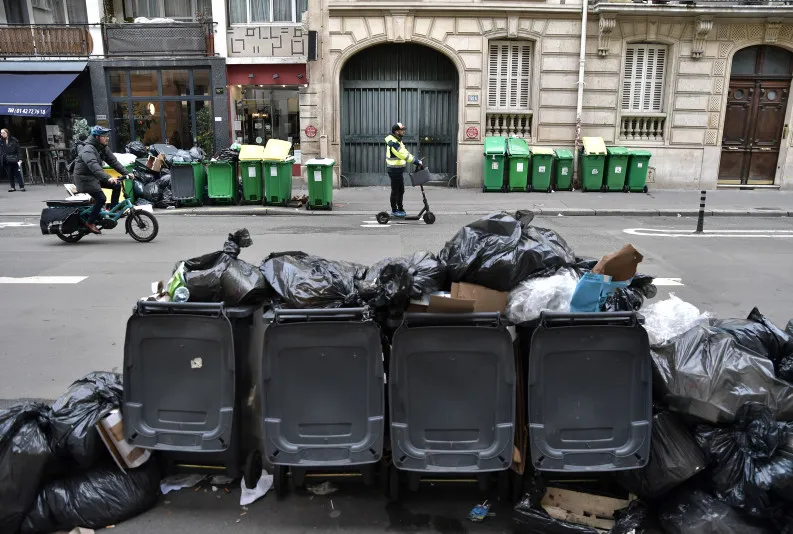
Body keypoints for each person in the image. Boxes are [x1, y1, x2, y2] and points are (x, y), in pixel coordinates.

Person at [72, 126, 133, 234]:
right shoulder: (87, 150)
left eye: (107, 136)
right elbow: (94, 167)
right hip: (84, 179)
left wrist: (126, 172)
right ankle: (90, 222)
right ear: (97, 137)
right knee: (101, 198)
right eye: (104, 136)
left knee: (117, 185)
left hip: (94, 178)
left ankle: (111, 211)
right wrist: (108, 178)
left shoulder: (103, 147)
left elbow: (114, 162)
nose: (107, 138)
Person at [384, 122, 422, 217]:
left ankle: (400, 208)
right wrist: (415, 162)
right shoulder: (393, 142)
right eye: (402, 130)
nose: (404, 131)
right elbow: (403, 154)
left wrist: (416, 159)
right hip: (394, 170)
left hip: (398, 170)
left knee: (401, 190)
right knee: (395, 190)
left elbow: (405, 152)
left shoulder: (397, 140)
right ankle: (394, 210)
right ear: (396, 131)